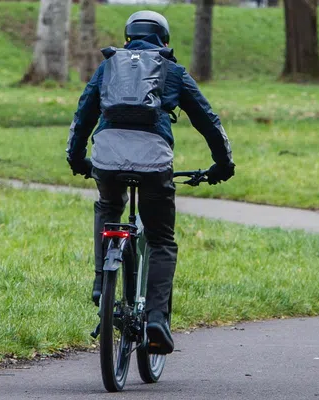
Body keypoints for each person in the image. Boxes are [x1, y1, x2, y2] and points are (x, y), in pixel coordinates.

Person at [65, 10, 235, 354]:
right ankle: (157, 318)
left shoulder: (108, 65)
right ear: (165, 41)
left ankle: (102, 283)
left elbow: (83, 114)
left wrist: (77, 158)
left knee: (109, 207)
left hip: (108, 158)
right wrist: (222, 164)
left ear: (127, 38)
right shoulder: (172, 71)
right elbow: (208, 120)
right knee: (160, 238)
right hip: (154, 163)